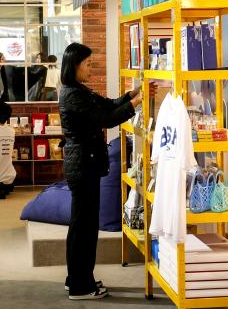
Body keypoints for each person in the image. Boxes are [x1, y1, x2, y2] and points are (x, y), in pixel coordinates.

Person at [59, 42, 142, 300]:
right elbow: (105, 119)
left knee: (81, 226)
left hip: (83, 164)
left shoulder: (77, 91)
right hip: (83, 166)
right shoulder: (73, 94)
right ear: (74, 65)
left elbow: (106, 105)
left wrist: (130, 96)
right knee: (84, 228)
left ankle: (77, 279)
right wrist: (136, 104)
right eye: (87, 64)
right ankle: (81, 287)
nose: (90, 68)